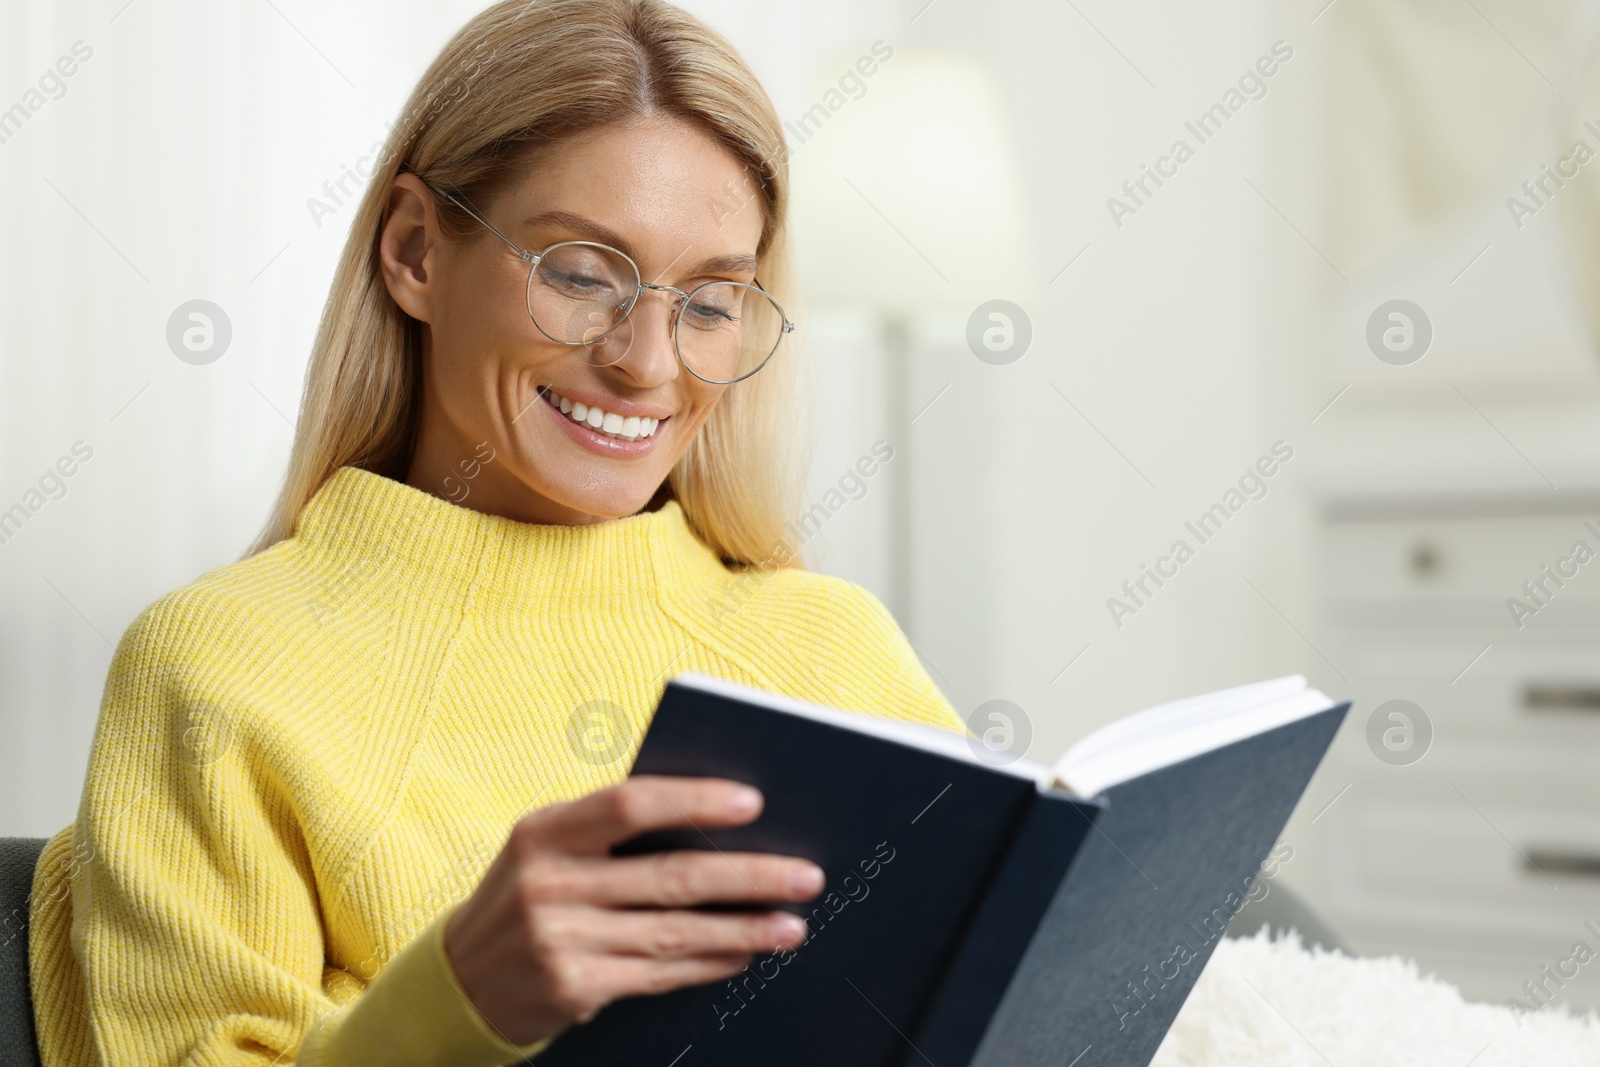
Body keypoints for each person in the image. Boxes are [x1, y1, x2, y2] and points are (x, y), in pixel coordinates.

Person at [26, 1, 963, 1064]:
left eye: (710, 301)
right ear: (417, 251)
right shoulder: (219, 668)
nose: (647, 362)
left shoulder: (833, 646)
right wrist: (460, 997)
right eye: (579, 273)